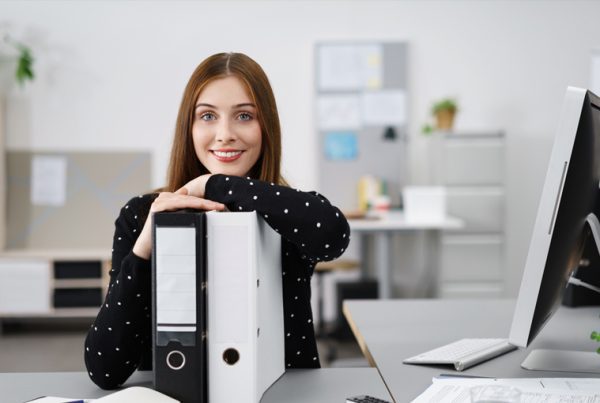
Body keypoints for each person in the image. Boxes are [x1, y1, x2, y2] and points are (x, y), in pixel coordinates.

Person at [84, 52, 351, 389]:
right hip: (175, 392)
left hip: (282, 393)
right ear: (189, 127)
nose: (225, 134)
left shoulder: (285, 212)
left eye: (244, 115)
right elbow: (105, 369)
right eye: (208, 116)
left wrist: (212, 184)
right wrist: (143, 250)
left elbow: (332, 235)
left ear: (266, 125)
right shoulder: (141, 214)